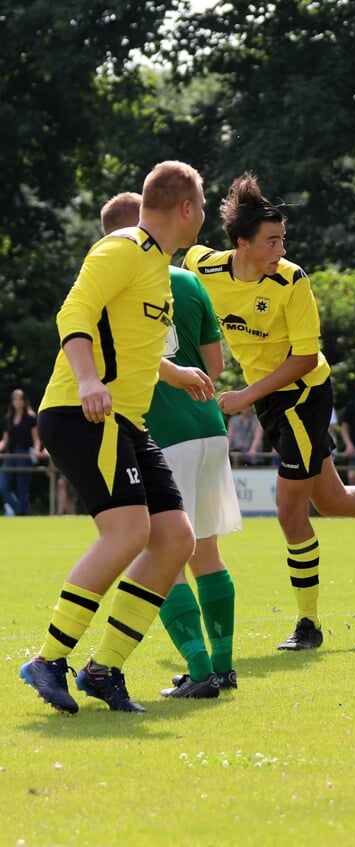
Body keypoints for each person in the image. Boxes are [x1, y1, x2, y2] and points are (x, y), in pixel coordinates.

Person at [184, 173, 355, 651]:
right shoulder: (202, 267)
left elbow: (305, 360)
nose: (281, 250)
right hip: (272, 399)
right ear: (241, 244)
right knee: (331, 499)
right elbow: (175, 262)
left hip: (303, 396)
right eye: (271, 241)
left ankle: (308, 625)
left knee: (290, 513)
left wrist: (245, 396)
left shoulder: (292, 280)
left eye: (283, 239)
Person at [20, 160, 212, 714]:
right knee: (127, 532)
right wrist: (86, 380)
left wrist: (173, 372)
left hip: (125, 421)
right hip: (83, 413)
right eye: (201, 205)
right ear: (185, 208)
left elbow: (130, 342)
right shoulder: (123, 248)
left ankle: (103, 670)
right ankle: (49, 660)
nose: (202, 215)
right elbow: (73, 312)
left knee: (176, 539)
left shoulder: (158, 266)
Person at [100, 191, 241, 700]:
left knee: (165, 554)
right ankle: (223, 667)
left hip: (161, 433)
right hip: (208, 427)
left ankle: (200, 669)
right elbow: (215, 366)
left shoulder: (122, 277)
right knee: (207, 551)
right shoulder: (189, 281)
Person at [1, 388, 40, 516]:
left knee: (22, 486)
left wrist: (37, 450)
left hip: (24, 453)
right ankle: (19, 510)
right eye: (15, 399)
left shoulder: (30, 417)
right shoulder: (9, 418)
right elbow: (4, 441)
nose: (17, 402)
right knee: (3, 486)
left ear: (24, 401)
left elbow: (36, 438)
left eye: (20, 399)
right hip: (11, 454)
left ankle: (20, 513)